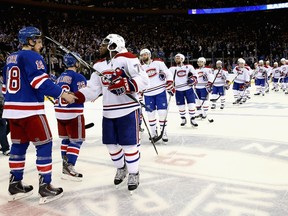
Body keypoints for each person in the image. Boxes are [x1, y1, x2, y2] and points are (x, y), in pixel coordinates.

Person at [2, 26, 77, 204]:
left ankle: (15, 183)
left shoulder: (10, 57)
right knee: (44, 144)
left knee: (18, 146)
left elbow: (6, 86)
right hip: (30, 110)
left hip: (12, 109)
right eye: (39, 40)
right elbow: (40, 82)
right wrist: (62, 94)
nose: (41, 44)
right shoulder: (33, 56)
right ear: (30, 41)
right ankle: (45, 186)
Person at [74, 34, 149, 193]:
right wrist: (75, 97)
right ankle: (121, 168)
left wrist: (128, 85)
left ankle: (134, 173)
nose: (100, 46)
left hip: (128, 109)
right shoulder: (99, 66)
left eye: (104, 43)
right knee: (111, 145)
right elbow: (93, 90)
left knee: (129, 145)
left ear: (114, 45)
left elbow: (144, 79)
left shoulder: (128, 59)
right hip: (108, 112)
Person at [54, 53, 87, 181]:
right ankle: (70, 166)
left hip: (59, 113)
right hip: (73, 113)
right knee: (76, 140)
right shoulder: (79, 76)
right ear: (76, 63)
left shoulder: (59, 77)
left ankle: (64, 166)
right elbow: (82, 95)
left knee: (66, 140)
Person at [140, 48, 173, 142]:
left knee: (162, 113)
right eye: (142, 55)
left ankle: (164, 132)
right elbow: (139, 81)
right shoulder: (140, 67)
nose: (144, 56)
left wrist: (170, 83)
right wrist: (139, 92)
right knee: (150, 114)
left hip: (160, 92)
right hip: (147, 94)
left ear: (150, 55)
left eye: (145, 54)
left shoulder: (158, 63)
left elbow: (168, 73)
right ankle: (153, 133)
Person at [169, 53, 198, 126]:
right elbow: (167, 77)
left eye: (178, 58)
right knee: (181, 105)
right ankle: (183, 119)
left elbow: (195, 75)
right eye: (175, 58)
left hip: (188, 88)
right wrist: (170, 88)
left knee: (191, 104)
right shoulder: (172, 69)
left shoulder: (189, 67)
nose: (176, 59)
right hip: (178, 90)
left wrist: (192, 79)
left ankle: (192, 119)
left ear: (182, 59)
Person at [0, 74, 10, 155]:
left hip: (5, 108)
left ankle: (2, 141)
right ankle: (5, 148)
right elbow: (1, 96)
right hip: (1, 108)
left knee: (10, 124)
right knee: (2, 127)